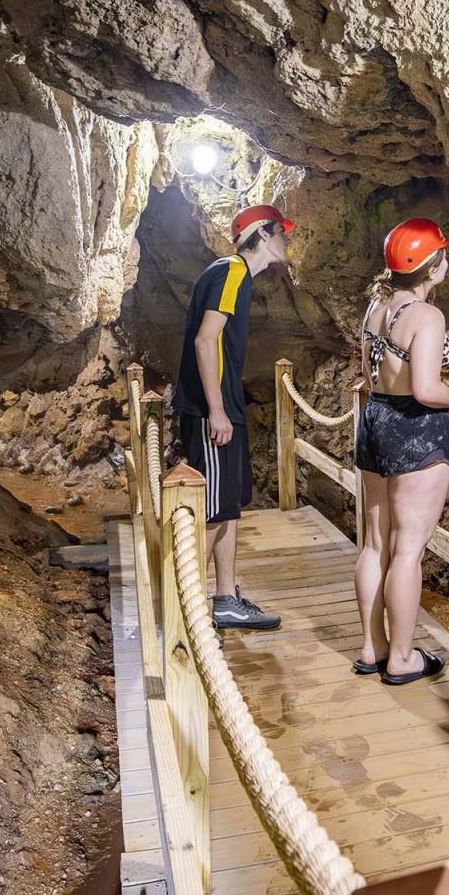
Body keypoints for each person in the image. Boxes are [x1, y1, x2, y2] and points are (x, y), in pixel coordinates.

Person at [351, 217, 449, 684]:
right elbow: (425, 389)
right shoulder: (427, 317)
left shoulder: (375, 307)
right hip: (414, 429)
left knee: (376, 542)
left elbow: (368, 375)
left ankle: (372, 647)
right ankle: (402, 659)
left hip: (376, 420)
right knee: (408, 551)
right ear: (433, 266)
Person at [173, 202, 295, 630]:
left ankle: (224, 598)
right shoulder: (231, 271)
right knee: (209, 512)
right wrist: (217, 410)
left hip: (223, 407)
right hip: (213, 411)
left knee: (226, 508)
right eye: (282, 231)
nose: (287, 240)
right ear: (262, 233)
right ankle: (181, 616)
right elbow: (206, 341)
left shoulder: (234, 275)